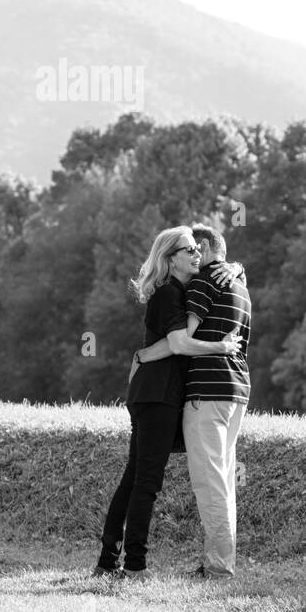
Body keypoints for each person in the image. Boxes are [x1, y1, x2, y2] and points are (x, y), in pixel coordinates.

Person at [93, 226, 241, 580]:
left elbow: (169, 342)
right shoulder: (168, 295)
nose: (196, 255)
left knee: (133, 479)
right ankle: (135, 567)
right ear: (170, 259)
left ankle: (107, 562)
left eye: (197, 250)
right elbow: (178, 344)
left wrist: (237, 267)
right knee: (147, 482)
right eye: (188, 251)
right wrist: (219, 347)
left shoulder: (179, 290)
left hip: (154, 394)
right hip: (157, 396)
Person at [135, 223, 251, 578]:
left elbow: (180, 340)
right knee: (224, 478)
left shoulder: (203, 283)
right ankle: (223, 562)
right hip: (238, 389)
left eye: (194, 249)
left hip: (207, 391)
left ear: (203, 247)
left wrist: (141, 357)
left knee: (210, 481)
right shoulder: (241, 287)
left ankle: (218, 568)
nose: (194, 256)